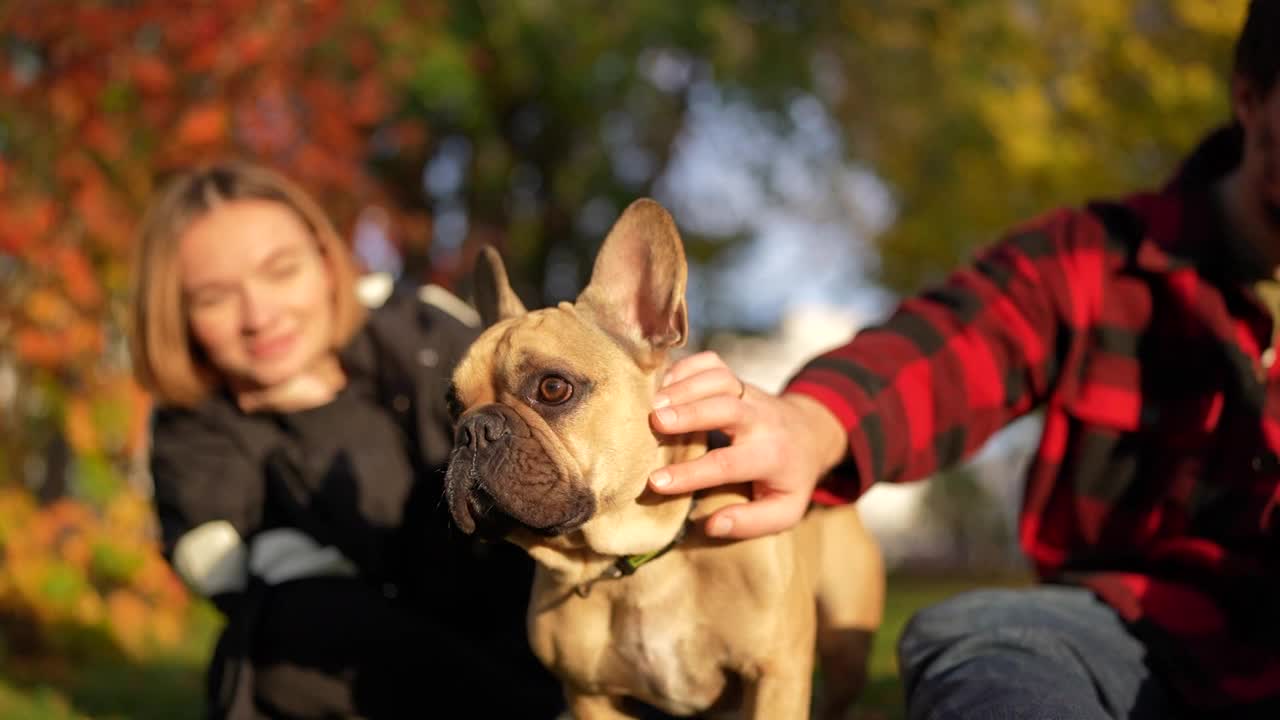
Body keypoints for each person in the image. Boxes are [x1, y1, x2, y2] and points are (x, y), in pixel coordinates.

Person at [646, 2, 1280, 718]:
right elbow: (953, 345)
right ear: (1252, 98)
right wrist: (810, 423)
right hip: (1133, 632)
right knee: (985, 645)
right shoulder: (1098, 256)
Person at [129, 161, 563, 719]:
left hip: (532, 623)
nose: (259, 316)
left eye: (281, 271)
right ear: (178, 315)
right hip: (375, 685)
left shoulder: (422, 329)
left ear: (325, 259)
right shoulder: (193, 437)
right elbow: (291, 611)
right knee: (283, 627)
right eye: (214, 298)